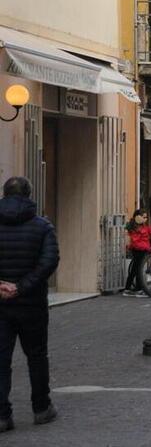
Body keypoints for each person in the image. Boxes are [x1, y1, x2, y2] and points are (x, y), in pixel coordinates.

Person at [0, 177, 60, 433]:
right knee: (37, 356)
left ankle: (2, 415)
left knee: (1, 359)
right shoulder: (42, 226)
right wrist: (22, 287)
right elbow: (49, 261)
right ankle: (41, 408)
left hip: (1, 305)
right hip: (32, 304)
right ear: (29, 194)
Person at [123, 209, 151, 297]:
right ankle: (139, 290)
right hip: (138, 250)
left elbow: (148, 231)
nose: (145, 219)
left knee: (135, 269)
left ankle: (127, 289)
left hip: (141, 250)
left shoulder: (141, 225)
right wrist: (149, 248)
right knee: (138, 270)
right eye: (143, 217)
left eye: (146, 217)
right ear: (137, 217)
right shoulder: (135, 228)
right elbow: (136, 242)